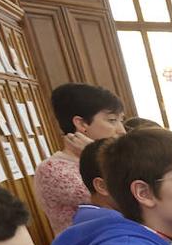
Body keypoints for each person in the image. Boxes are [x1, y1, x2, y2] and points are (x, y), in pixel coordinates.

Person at [34, 82, 126, 235]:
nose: (122, 130)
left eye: (121, 120)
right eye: (112, 120)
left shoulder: (115, 157)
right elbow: (126, 199)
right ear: (81, 123)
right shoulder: (53, 170)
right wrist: (94, 155)